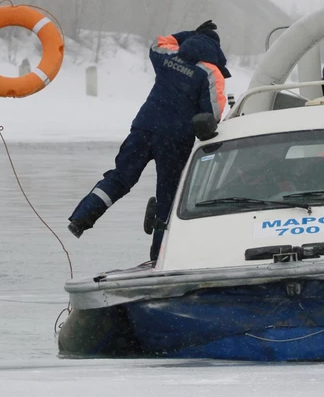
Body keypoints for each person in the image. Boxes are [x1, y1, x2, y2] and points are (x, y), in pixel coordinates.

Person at [67, 20, 231, 261]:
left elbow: (158, 42)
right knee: (168, 196)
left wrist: (188, 34)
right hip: (176, 139)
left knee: (120, 177)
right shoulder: (209, 71)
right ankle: (158, 257)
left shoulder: (167, 56)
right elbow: (213, 114)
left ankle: (81, 218)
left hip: (144, 127)